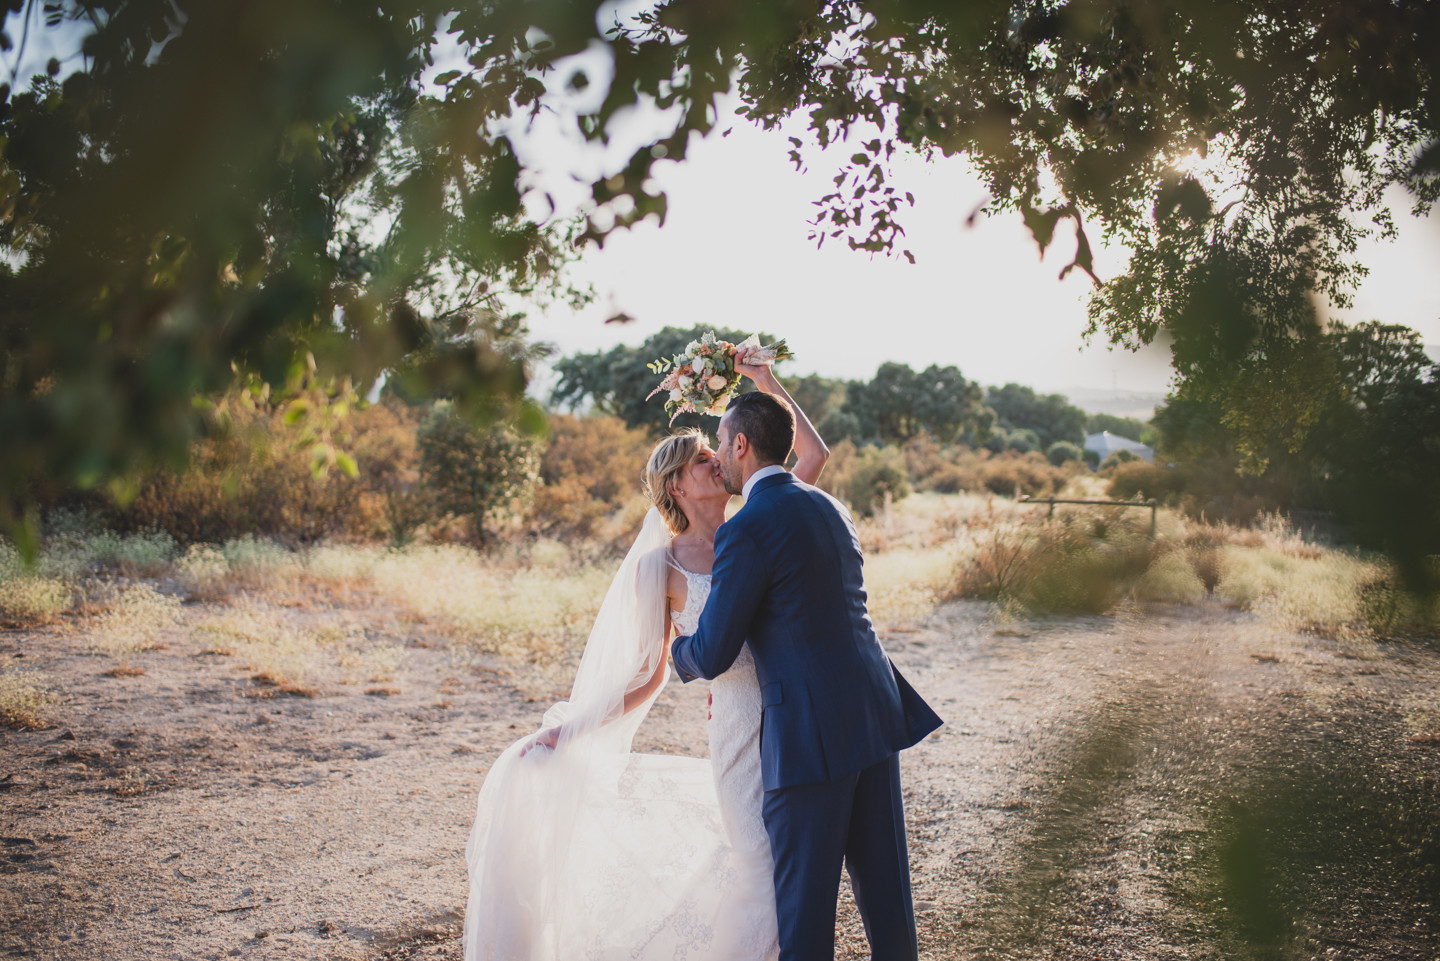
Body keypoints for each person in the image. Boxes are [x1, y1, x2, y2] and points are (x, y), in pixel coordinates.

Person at [463, 354, 829, 961]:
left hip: (794, 715)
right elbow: (650, 670)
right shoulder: (662, 566)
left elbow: (809, 458)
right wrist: (574, 728)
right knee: (755, 861)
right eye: (700, 462)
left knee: (792, 856)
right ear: (676, 487)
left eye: (715, 454)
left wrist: (765, 384)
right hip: (738, 722)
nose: (717, 460)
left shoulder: (757, 521)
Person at [670, 390, 943, 961]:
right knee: (887, 895)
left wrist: (680, 653)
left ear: (740, 444)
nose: (718, 456)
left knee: (803, 909)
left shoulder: (747, 529)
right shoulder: (830, 506)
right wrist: (766, 378)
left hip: (809, 736)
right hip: (875, 710)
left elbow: (716, 649)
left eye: (720, 443)